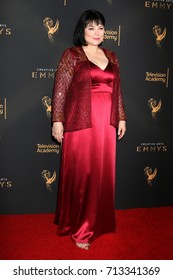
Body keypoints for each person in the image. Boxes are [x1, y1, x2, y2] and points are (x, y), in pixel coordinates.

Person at [51, 9, 126, 250]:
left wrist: (121, 118)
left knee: (102, 173)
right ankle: (81, 228)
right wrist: (57, 120)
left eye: (101, 27)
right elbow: (60, 89)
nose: (97, 32)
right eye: (91, 27)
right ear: (82, 31)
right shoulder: (71, 55)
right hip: (81, 122)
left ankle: (99, 221)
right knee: (83, 173)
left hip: (106, 124)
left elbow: (117, 92)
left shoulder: (112, 56)